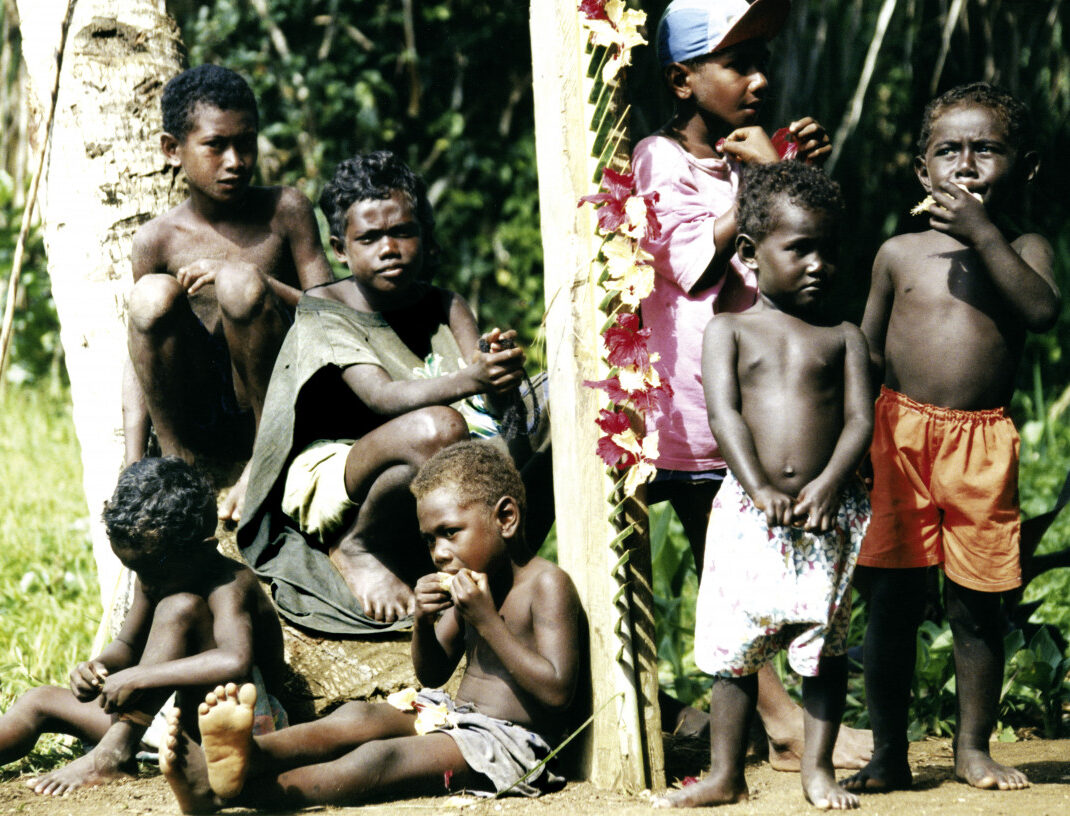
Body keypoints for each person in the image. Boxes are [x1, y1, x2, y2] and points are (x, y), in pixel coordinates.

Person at [633, 0, 869, 769]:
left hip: (774, 413)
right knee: (728, 573)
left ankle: (785, 716)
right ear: (681, 79)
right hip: (702, 411)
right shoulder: (660, 159)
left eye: (763, 57)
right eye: (738, 63)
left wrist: (795, 175)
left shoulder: (751, 157)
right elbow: (691, 265)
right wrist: (768, 176)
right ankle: (777, 718)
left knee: (771, 570)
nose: (759, 79)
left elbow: (804, 254)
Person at [159, 440, 581, 812]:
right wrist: (422, 619)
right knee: (356, 717)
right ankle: (249, 755)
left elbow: (558, 691)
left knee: (379, 759)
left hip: (510, 745)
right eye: (430, 539)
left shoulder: (545, 584)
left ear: (505, 518)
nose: (438, 552)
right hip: (453, 716)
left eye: (450, 532)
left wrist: (486, 620)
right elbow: (432, 673)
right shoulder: (470, 586)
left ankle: (229, 794)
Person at [846, 82, 1060, 794]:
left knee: (977, 602)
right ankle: (887, 752)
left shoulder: (1025, 247)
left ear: (1023, 166)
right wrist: (848, 443)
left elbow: (1041, 312)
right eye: (949, 151)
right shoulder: (898, 253)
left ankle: (973, 748)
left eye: (986, 149)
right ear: (922, 171)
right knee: (893, 603)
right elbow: (868, 356)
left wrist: (984, 234)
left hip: (980, 447)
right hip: (898, 439)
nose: (966, 167)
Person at [238, 151, 538, 634]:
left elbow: (486, 403)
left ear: (424, 235)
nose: (389, 248)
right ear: (340, 249)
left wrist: (498, 373)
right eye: (370, 238)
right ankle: (357, 545)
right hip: (339, 470)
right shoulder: (324, 307)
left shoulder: (445, 304)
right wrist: (473, 378)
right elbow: (380, 396)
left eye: (402, 232)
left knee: (538, 409)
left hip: (433, 467)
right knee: (438, 426)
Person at [656, 162, 871, 810]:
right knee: (736, 648)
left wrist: (831, 483)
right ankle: (726, 774)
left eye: (828, 250)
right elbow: (723, 415)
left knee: (823, 649)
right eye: (799, 248)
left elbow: (861, 419)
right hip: (750, 514)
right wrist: (755, 486)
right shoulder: (729, 330)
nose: (817, 264)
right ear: (748, 255)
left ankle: (816, 770)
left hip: (823, 517)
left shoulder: (843, 336)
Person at [0, 457, 287, 795]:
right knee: (38, 700)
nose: (145, 583)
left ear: (203, 549)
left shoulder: (230, 584)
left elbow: (234, 660)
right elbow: (127, 646)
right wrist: (99, 668)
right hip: (164, 721)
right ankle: (119, 744)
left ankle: (114, 753)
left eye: (152, 571)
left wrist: (139, 676)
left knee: (179, 607)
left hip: (232, 728)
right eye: (133, 569)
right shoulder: (154, 573)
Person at [125, 64, 333, 523]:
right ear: (172, 150)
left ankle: (265, 459)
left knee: (240, 283)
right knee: (150, 296)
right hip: (201, 415)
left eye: (246, 143)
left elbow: (336, 317)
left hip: (278, 404)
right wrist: (134, 462)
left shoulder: (286, 212)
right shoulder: (157, 240)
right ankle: (179, 462)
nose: (235, 161)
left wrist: (249, 278)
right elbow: (138, 353)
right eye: (215, 146)